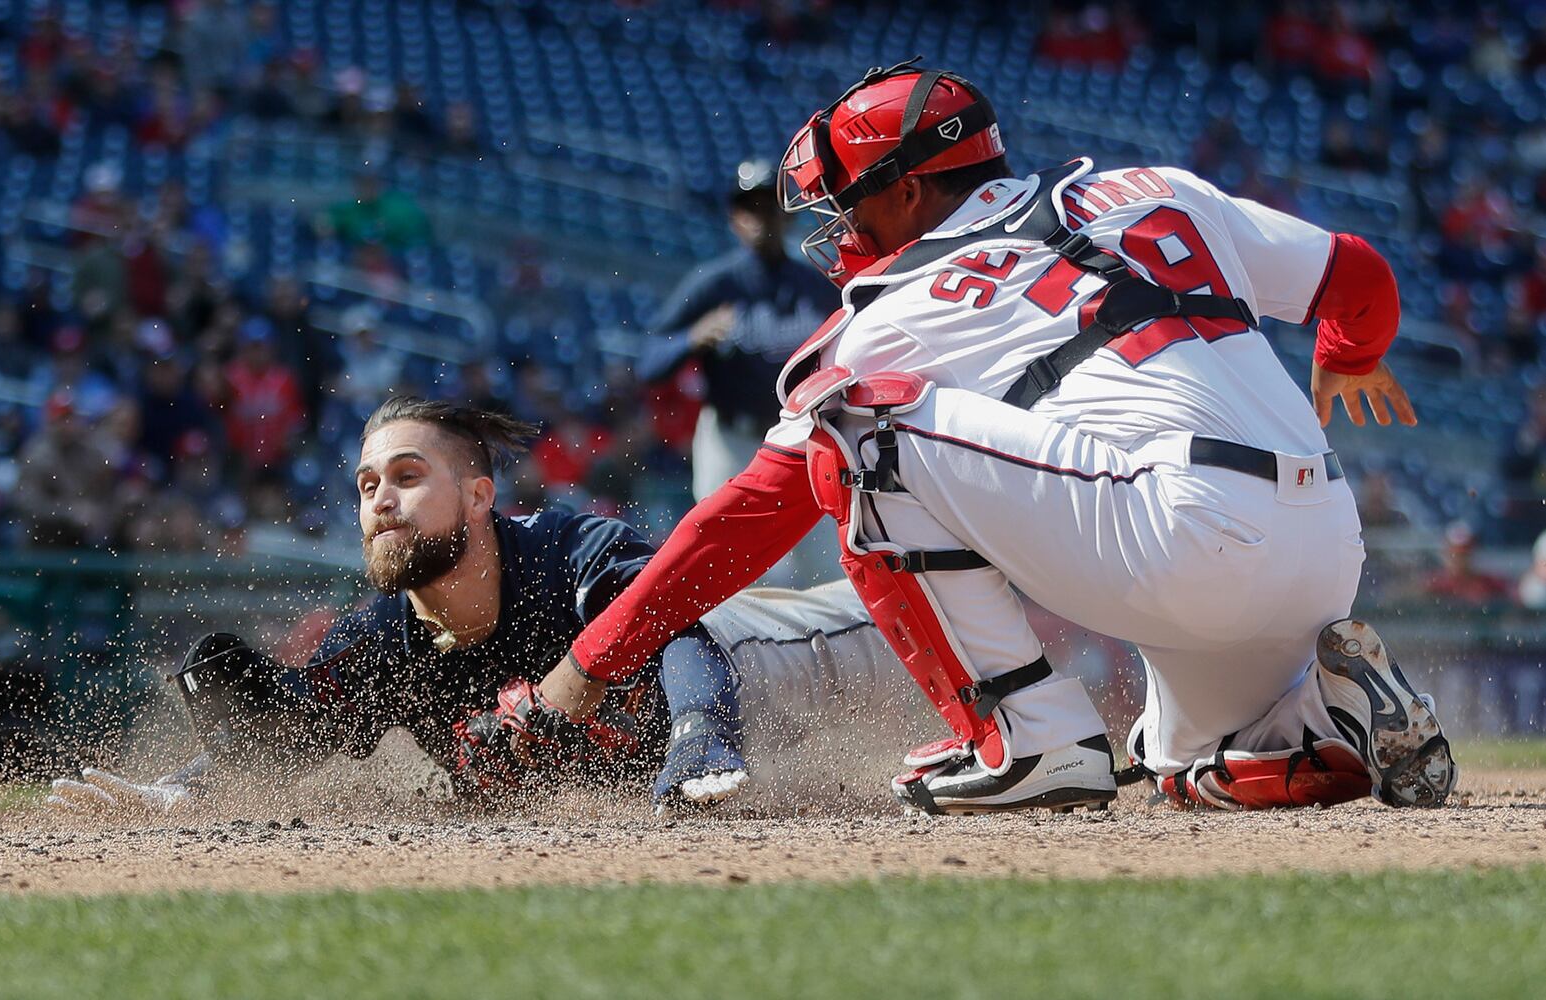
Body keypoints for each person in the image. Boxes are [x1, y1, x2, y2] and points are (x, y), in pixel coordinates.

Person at [535, 59, 1456, 815]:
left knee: (852, 426)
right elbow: (1359, 274)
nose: (837, 226)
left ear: (906, 191)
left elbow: (741, 520)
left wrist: (585, 666)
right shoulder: (1152, 187)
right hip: (1324, 546)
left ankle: (1022, 736)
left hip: (1179, 539)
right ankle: (1324, 716)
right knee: (1187, 767)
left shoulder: (890, 306)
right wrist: (1348, 352)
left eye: (845, 200)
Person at [47, 396, 927, 817]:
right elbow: (291, 742)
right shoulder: (378, 643)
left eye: (405, 475)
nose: (379, 500)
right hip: (701, 738)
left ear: (477, 496)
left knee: (934, 623)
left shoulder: (565, 552)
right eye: (364, 485)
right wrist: (171, 793)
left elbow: (673, 624)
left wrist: (700, 732)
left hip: (777, 656)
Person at [638, 159, 838, 586]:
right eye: (750, 207)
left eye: (769, 206)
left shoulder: (816, 287)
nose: (760, 217)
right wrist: (690, 339)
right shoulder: (714, 284)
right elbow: (648, 360)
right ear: (734, 218)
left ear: (786, 215)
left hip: (799, 438)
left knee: (826, 570)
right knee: (727, 562)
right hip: (730, 440)